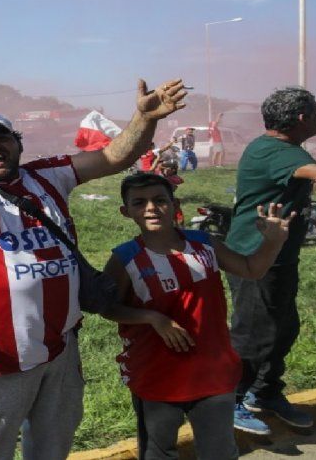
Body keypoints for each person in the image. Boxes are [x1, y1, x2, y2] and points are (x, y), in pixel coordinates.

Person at [0, 53, 187, 460]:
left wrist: (145, 118)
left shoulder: (48, 176)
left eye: (2, 137)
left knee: (53, 446)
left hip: (59, 347)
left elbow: (116, 157)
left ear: (18, 144)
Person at [101, 172, 292, 459]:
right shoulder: (124, 259)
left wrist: (273, 241)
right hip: (156, 375)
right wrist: (153, 318)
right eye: (139, 202)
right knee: (158, 452)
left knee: (218, 452)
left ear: (175, 204)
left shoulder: (205, 243)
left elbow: (252, 269)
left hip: (213, 373)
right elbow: (107, 308)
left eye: (159, 200)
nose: (151, 208)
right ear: (126, 212)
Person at [226, 87, 316, 434]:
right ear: (302, 118)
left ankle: (264, 393)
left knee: (283, 329)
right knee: (253, 334)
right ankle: (230, 400)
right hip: (254, 257)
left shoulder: (285, 149)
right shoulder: (274, 150)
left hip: (278, 256)